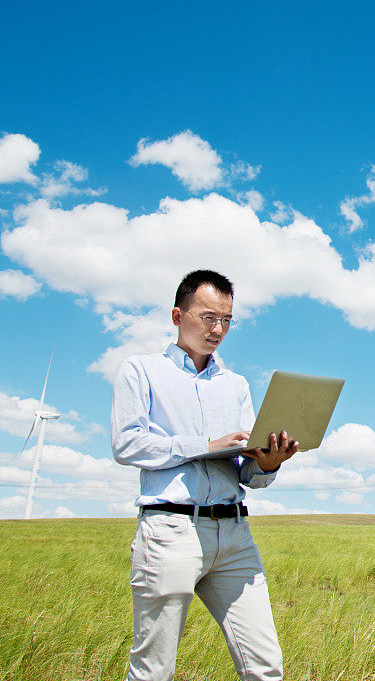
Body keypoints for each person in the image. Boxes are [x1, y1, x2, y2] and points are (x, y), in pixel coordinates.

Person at [111, 269, 298, 681]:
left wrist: (269, 463)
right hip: (170, 530)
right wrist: (205, 444)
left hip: (234, 536)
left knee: (266, 666)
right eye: (209, 317)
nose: (218, 329)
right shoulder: (141, 371)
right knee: (153, 671)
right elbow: (127, 445)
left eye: (227, 320)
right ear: (178, 315)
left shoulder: (236, 385)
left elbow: (246, 471)